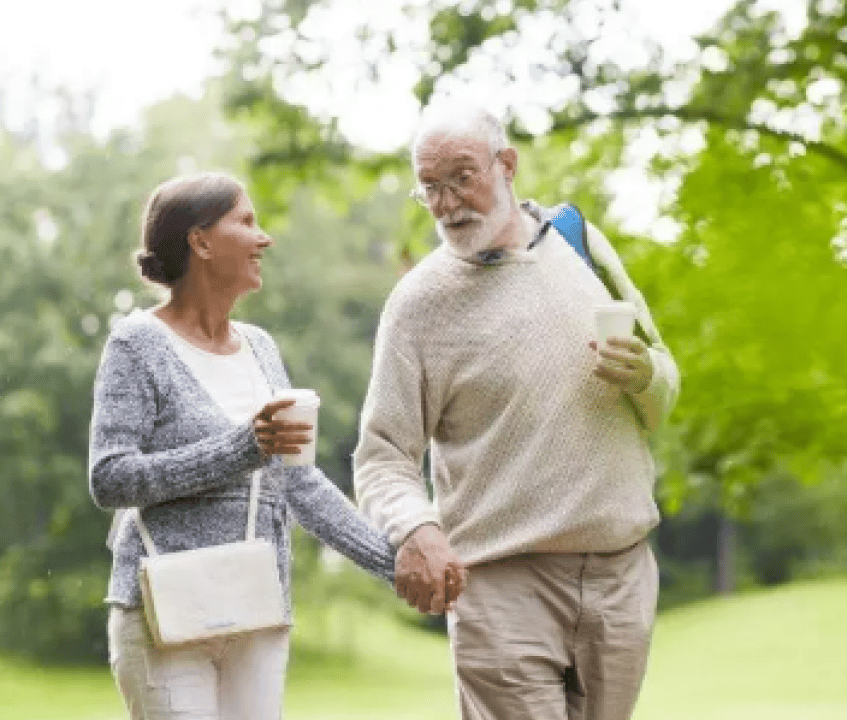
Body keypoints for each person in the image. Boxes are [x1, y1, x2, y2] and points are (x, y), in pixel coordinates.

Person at [352, 100, 681, 720]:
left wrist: (646, 376)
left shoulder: (581, 243)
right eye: (430, 187)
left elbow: (663, 380)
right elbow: (382, 456)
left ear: (506, 164)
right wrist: (416, 528)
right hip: (500, 586)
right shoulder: (418, 304)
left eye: (461, 178)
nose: (448, 204)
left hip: (621, 576)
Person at [88, 172, 397, 720]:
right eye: (247, 222)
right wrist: (241, 448)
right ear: (201, 242)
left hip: (256, 609)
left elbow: (299, 484)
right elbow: (110, 478)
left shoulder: (260, 347)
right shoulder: (137, 343)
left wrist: (395, 564)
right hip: (163, 612)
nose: (264, 238)